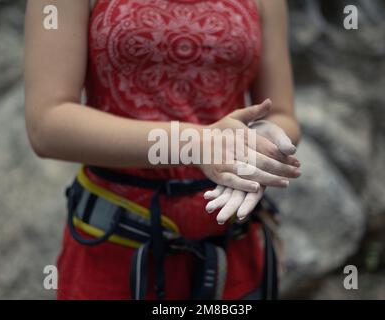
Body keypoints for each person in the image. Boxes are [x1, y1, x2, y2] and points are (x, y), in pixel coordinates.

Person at [24, 0, 301, 300]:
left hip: (232, 253)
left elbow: (280, 113)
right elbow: (47, 124)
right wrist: (191, 145)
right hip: (116, 254)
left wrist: (263, 139)